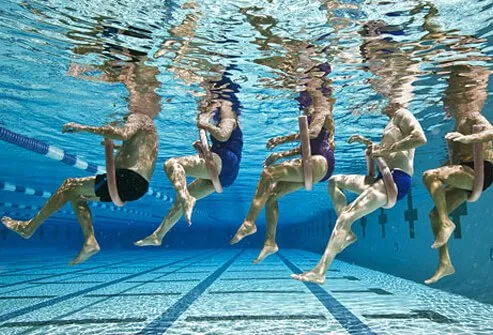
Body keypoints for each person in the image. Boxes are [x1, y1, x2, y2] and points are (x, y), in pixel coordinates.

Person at [1, 27, 160, 265]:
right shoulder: (150, 126)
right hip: (136, 184)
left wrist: (83, 127)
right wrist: (118, 150)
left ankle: (29, 227)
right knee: (76, 195)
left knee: (68, 186)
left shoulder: (138, 116)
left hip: (127, 180)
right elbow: (136, 150)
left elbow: (120, 132)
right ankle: (89, 241)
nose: (128, 102)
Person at [291, 20, 427, 284]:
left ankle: (320, 270)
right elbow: (384, 155)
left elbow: (419, 138)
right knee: (334, 183)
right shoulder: (391, 120)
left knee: (348, 215)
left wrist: (385, 149)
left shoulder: (402, 112)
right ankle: (347, 231)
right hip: (382, 178)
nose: (377, 90)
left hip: (397, 182)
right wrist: (370, 147)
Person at [229, 45, 336, 264]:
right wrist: (280, 155)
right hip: (314, 160)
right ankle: (270, 242)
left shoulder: (323, 106)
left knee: (269, 174)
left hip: (322, 161)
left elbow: (313, 133)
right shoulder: (313, 109)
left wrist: (280, 140)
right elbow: (306, 146)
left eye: (310, 85)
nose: (306, 93)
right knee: (272, 194)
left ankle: (249, 222)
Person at [134, 69, 243, 247]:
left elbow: (223, 136)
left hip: (225, 161)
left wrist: (205, 124)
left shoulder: (227, 109)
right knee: (180, 199)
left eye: (209, 91)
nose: (206, 96)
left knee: (172, 163)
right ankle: (158, 235)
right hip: (226, 169)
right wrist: (203, 146)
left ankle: (185, 197)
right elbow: (222, 142)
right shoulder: (219, 111)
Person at [422, 65, 493, 284]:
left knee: (429, 175)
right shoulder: (456, 122)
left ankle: (446, 222)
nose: (445, 104)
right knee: (433, 214)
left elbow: (491, 132)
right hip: (466, 172)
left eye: (447, 100)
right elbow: (455, 159)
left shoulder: (471, 114)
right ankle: (445, 263)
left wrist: (467, 140)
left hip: (482, 170)